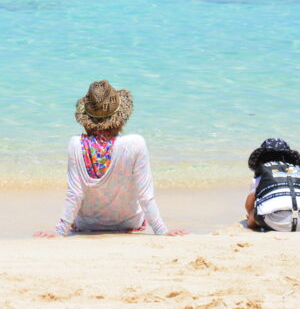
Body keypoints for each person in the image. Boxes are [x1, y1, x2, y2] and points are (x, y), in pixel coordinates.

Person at [35, 80, 187, 238]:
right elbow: (145, 195)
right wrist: (162, 230)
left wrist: (60, 231)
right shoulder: (135, 144)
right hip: (130, 225)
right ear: (120, 116)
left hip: (86, 226)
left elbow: (75, 194)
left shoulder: (76, 144)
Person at [244, 138, 300, 232]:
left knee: (252, 214)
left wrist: (251, 214)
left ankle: (257, 224)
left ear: (261, 161)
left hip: (276, 222)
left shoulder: (262, 174)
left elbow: (249, 204)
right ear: (289, 159)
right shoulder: (298, 172)